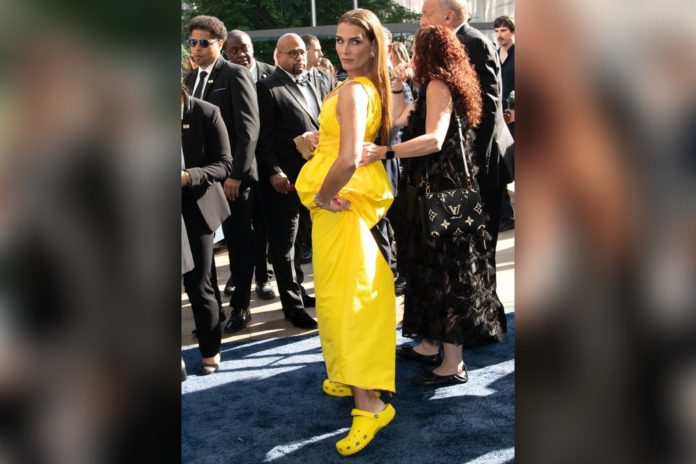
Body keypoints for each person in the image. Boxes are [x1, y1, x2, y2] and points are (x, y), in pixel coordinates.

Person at [362, 25, 505, 386]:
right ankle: (429, 345)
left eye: (414, 51)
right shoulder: (432, 85)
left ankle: (452, 363)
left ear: (428, 53)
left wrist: (386, 152)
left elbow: (433, 140)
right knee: (428, 268)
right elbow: (397, 120)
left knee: (446, 273)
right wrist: (397, 83)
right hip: (437, 195)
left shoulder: (438, 86)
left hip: (445, 196)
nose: (410, 56)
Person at [295, 8, 396, 456]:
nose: (345, 48)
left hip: (340, 202)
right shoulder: (355, 86)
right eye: (339, 40)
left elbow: (351, 157)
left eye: (355, 41)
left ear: (373, 45)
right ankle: (347, 376)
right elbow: (341, 143)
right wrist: (315, 138)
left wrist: (322, 195)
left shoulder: (355, 89)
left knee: (350, 300)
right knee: (338, 296)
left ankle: (370, 404)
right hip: (340, 203)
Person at [419, 0, 512, 338]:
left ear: (447, 16)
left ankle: (488, 323)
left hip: (478, 166)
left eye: (426, 13)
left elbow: (488, 109)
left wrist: (474, 166)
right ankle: (471, 321)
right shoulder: (449, 45)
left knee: (479, 247)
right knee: (462, 249)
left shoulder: (474, 42)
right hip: (458, 167)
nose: (420, 19)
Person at [184, 15, 261, 334]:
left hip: (231, 178)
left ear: (219, 43)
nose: (197, 48)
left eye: (204, 42)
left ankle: (241, 306)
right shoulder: (188, 80)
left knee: (240, 244)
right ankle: (210, 314)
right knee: (203, 253)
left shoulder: (235, 74)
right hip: (200, 181)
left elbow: (248, 129)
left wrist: (237, 175)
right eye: (193, 42)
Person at [255, 33, 321, 329]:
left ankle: (300, 291)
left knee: (304, 242)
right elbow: (262, 138)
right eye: (293, 53)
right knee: (284, 245)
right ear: (277, 57)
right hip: (285, 182)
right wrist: (273, 171)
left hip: (314, 179)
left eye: (302, 52)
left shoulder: (315, 82)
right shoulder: (267, 88)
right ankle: (292, 307)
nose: (300, 57)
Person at [181, 82, 233, 374]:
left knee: (199, 282)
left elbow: (225, 164)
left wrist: (190, 176)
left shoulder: (206, 112)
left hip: (195, 208)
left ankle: (211, 351)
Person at [224, 29, 277, 300]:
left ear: (252, 47)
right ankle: (237, 275)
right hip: (239, 169)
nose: (240, 54)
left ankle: (264, 277)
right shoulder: (226, 76)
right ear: (226, 52)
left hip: (268, 166)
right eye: (233, 50)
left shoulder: (271, 74)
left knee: (264, 225)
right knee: (238, 228)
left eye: (244, 47)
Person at [494, 15, 516, 231]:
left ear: (512, 31)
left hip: (517, 118)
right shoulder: (494, 52)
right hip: (499, 118)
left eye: (504, 30)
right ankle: (506, 215)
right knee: (499, 167)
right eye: (497, 31)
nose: (500, 35)